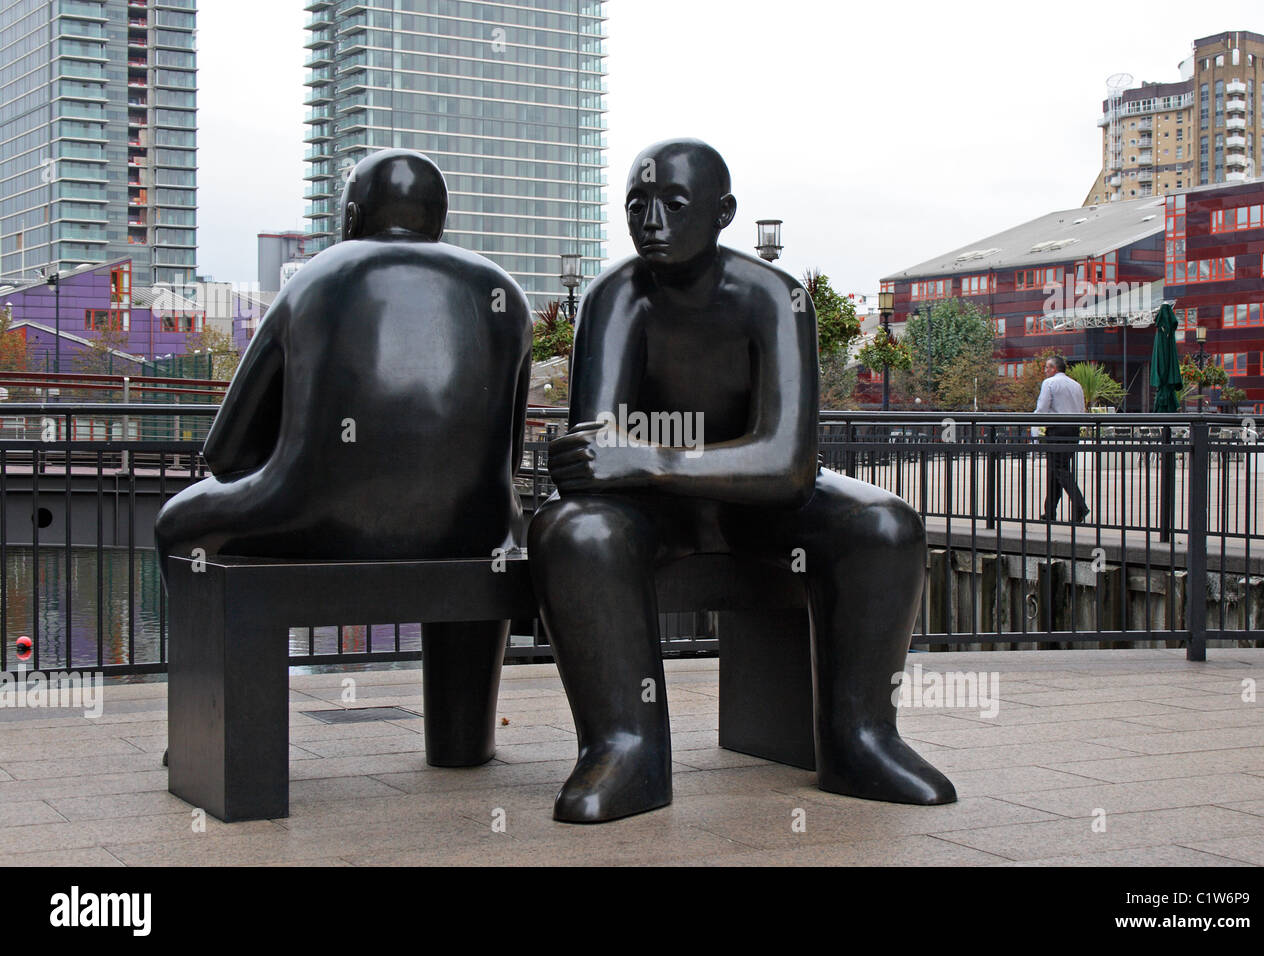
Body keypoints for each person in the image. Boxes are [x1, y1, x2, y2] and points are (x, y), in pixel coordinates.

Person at [528, 138, 956, 823]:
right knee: (571, 530)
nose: (652, 222)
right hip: (652, 513)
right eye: (638, 204)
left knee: (885, 523)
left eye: (674, 203)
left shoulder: (774, 297)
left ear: (722, 212)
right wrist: (612, 463)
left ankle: (862, 739)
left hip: (759, 508)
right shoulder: (615, 298)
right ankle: (625, 747)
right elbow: (596, 460)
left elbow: (788, 466)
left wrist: (652, 458)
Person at [155, 149, 533, 767]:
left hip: (316, 518)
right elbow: (510, 452)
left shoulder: (316, 277)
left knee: (179, 524)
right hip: (472, 529)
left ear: (352, 214)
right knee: (485, 521)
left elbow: (224, 453)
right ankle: (462, 740)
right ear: (440, 219)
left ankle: (210, 724)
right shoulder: (505, 295)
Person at [1035, 355, 1089, 524]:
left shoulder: (1049, 383)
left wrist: (1035, 431)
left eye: (1046, 368)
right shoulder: (1076, 385)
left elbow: (1042, 408)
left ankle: (1080, 505)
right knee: (1057, 470)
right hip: (1073, 430)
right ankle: (1050, 511)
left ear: (1054, 369)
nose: (1044, 371)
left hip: (1057, 430)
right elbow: (1081, 410)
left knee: (1058, 469)